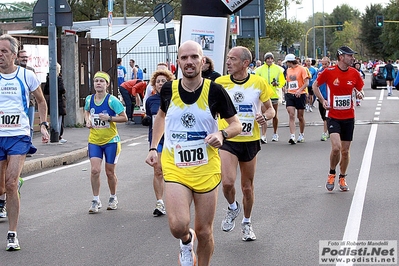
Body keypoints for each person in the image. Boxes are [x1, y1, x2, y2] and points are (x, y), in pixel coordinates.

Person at [145, 40, 241, 266]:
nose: (189, 62)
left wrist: (222, 134)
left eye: (194, 57)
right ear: (178, 62)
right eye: (184, 58)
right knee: (178, 226)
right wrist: (153, 147)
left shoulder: (215, 91)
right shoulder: (168, 89)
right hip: (175, 166)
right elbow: (160, 117)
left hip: (206, 167)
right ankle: (186, 241)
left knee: (205, 231)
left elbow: (236, 124)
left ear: (202, 60)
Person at [216, 46, 275, 242]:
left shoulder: (259, 83)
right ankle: (233, 207)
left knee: (247, 187)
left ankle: (247, 223)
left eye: (232, 59)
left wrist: (264, 116)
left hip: (250, 140)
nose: (228, 62)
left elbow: (271, 110)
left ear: (245, 63)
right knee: (227, 182)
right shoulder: (220, 83)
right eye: (227, 58)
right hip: (228, 139)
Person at [0, 34, 50, 251]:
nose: (0, 55)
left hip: (19, 135)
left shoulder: (26, 76)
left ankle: (12, 234)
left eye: (3, 51)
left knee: (10, 183)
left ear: (13, 54)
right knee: (2, 186)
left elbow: (41, 101)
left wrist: (45, 124)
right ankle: (11, 186)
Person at [312, 46, 364, 192]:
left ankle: (342, 177)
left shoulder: (354, 73)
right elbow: (315, 86)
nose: (352, 58)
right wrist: (322, 100)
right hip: (333, 116)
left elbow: (359, 88)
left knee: (345, 151)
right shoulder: (329, 72)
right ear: (341, 57)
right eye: (350, 56)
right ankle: (331, 173)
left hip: (349, 117)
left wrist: (359, 94)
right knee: (336, 148)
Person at [84, 71, 128, 213]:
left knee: (109, 172)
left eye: (101, 81)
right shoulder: (89, 99)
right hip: (94, 141)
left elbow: (124, 117)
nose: (98, 83)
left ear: (107, 84)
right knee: (95, 170)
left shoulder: (112, 101)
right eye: (96, 81)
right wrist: (87, 120)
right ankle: (95, 200)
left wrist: (109, 118)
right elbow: (86, 111)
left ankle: (113, 196)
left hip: (111, 141)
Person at [144, 69, 174, 216]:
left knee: (173, 172)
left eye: (164, 81)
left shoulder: (176, 98)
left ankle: (175, 200)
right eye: (158, 82)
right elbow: (150, 118)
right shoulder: (151, 100)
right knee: (158, 169)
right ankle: (160, 203)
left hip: (174, 140)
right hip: (157, 140)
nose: (161, 83)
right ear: (154, 85)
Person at [255, 52, 286, 143]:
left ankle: (275, 133)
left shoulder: (278, 69)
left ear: (273, 59)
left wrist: (277, 84)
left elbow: (282, 81)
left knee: (274, 115)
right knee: (264, 115)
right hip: (264, 95)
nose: (269, 60)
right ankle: (263, 135)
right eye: (267, 58)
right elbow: (256, 81)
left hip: (274, 94)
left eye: (271, 58)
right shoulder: (259, 70)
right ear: (265, 60)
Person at [282, 53, 309, 144]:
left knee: (300, 116)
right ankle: (292, 136)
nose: (286, 64)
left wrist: (299, 90)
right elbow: (288, 81)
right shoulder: (288, 70)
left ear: (291, 62)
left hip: (300, 94)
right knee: (291, 114)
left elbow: (306, 83)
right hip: (290, 94)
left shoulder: (302, 69)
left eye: (287, 62)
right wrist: (285, 87)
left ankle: (301, 134)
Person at [16, 50, 36, 154]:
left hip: (30, 103)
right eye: (22, 57)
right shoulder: (14, 71)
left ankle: (28, 146)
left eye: (26, 57)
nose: (24, 59)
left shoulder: (30, 71)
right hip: (18, 104)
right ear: (17, 58)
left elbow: (35, 88)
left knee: (30, 126)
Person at [43, 63, 67, 143]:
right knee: (59, 120)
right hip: (59, 101)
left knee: (54, 119)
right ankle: (58, 136)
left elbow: (46, 91)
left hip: (51, 101)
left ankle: (54, 135)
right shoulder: (59, 78)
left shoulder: (49, 78)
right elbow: (62, 89)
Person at [316, 57, 331, 141]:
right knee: (323, 116)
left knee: (326, 116)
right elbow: (316, 84)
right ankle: (328, 131)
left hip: (329, 97)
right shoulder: (319, 72)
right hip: (321, 97)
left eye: (326, 64)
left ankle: (325, 133)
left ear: (329, 63)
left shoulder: (332, 71)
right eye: (323, 64)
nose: (324, 66)